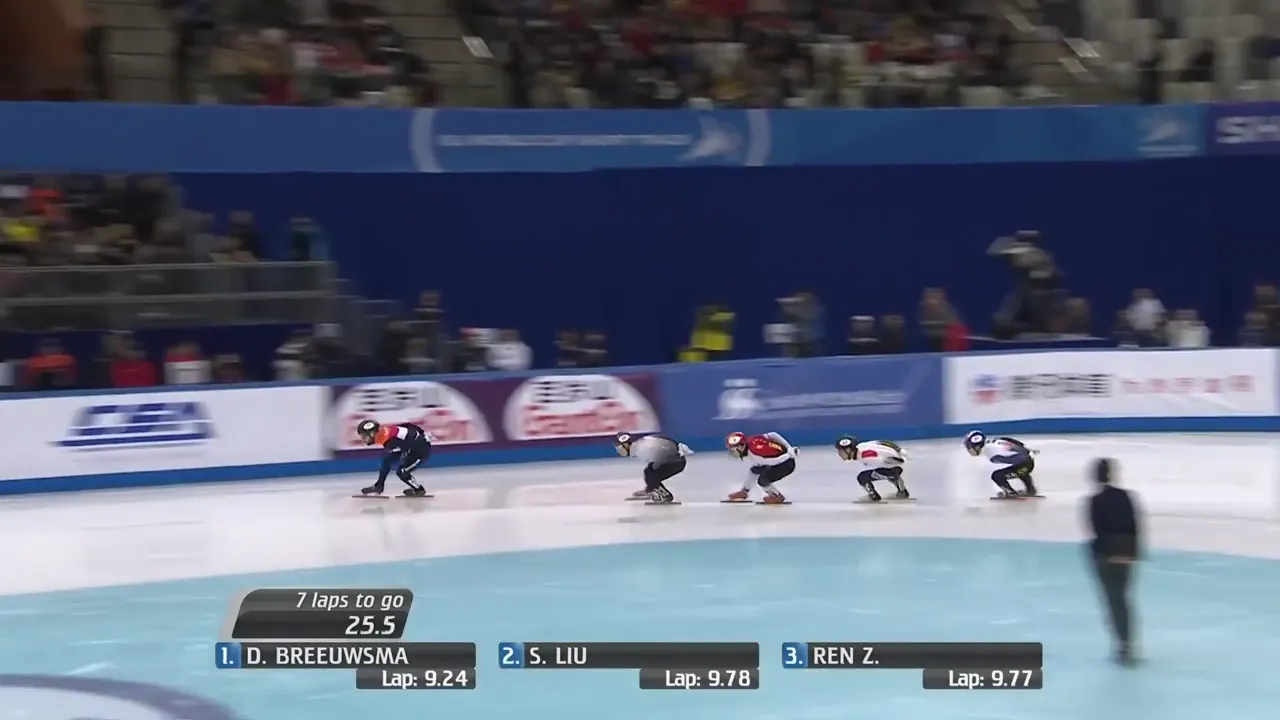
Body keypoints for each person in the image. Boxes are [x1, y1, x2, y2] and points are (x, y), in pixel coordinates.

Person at [1087, 457, 1141, 665]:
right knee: (1123, 599)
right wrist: (1133, 552)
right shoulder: (1126, 497)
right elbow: (1134, 525)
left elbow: (1095, 528)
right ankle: (1127, 643)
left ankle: (1122, 645)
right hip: (1126, 552)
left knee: (1113, 600)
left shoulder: (1094, 501)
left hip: (1106, 555)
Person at [356, 419, 431, 497]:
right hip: (411, 445)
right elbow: (408, 425)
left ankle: (419, 490)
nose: (363, 439)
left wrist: (422, 436)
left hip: (420, 450)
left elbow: (406, 443)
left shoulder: (387, 439)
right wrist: (422, 432)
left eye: (364, 436)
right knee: (387, 460)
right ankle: (379, 486)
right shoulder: (384, 433)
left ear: (372, 434)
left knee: (401, 472)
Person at [618, 432, 693, 504]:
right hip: (675, 459)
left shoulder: (641, 450)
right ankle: (651, 490)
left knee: (652, 475)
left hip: (675, 462)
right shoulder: (641, 443)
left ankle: (664, 496)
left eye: (621, 447)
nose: (620, 450)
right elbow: (663, 439)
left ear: (626, 445)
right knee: (649, 471)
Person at [724, 431, 797, 504]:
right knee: (754, 470)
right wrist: (789, 448)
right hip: (782, 458)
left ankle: (777, 497)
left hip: (785, 464)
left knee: (762, 481)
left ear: (741, 446)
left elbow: (774, 461)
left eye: (733, 450)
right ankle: (744, 492)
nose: (733, 453)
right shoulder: (751, 440)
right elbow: (773, 435)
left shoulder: (755, 453)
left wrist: (789, 455)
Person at [963, 430, 1039, 498]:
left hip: (1025, 465)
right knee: (1017, 467)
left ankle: (1010, 492)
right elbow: (1010, 440)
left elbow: (1006, 464)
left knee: (997, 476)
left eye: (970, 448)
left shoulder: (991, 453)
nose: (970, 451)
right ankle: (1030, 489)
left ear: (977, 447)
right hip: (1028, 462)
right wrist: (1028, 451)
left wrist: (999, 490)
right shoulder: (995, 441)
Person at [835, 436, 911, 502]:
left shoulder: (865, 456)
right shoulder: (861, 445)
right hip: (897, 460)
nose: (839, 454)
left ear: (848, 450)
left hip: (895, 465)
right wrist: (899, 450)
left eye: (840, 451)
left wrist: (898, 464)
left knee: (862, 477)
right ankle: (902, 491)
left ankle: (873, 496)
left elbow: (886, 461)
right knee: (883, 470)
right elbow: (883, 442)